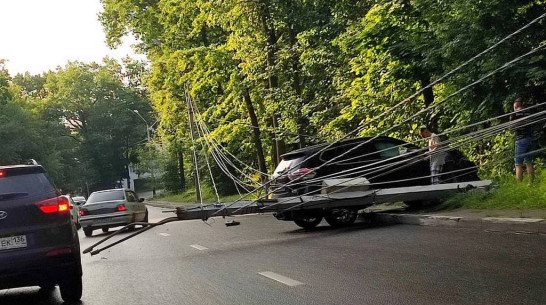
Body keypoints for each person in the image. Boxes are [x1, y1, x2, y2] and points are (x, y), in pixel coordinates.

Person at [510, 98, 535, 183]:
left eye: (514, 107)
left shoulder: (514, 114)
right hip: (530, 139)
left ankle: (519, 185)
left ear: (516, 106)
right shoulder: (528, 112)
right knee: (529, 162)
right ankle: (531, 183)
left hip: (520, 140)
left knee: (518, 164)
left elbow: (511, 128)